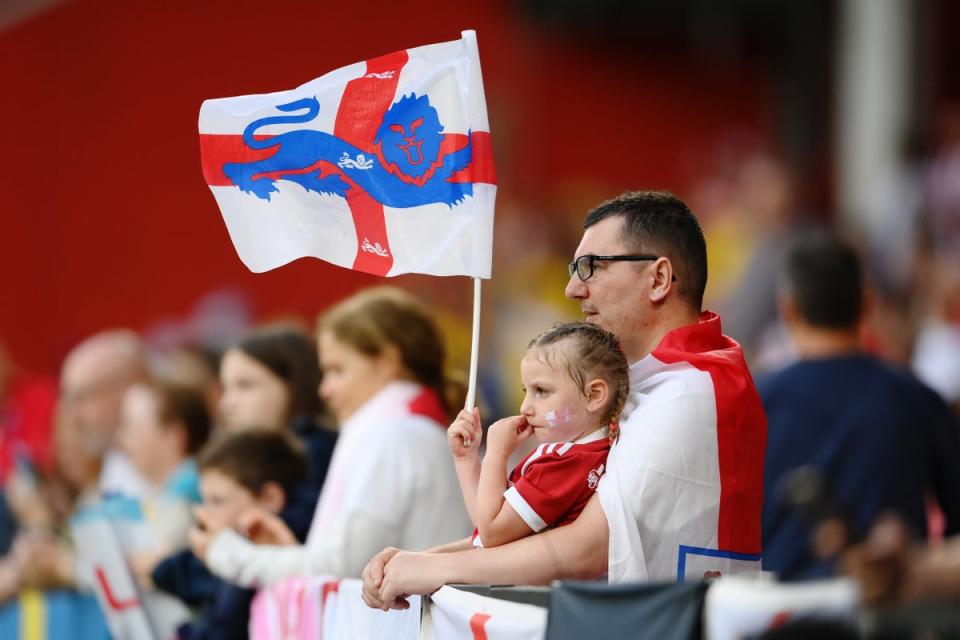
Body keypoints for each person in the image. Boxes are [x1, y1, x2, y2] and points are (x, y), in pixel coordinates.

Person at [363, 190, 767, 609]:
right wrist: (423, 560)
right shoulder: (649, 379)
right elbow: (545, 526)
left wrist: (435, 569)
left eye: (591, 267)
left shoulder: (690, 388)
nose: (573, 288)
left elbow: (587, 548)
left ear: (659, 278)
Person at [190, 287, 471, 584]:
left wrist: (227, 553)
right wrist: (284, 550)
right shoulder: (410, 428)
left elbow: (341, 566)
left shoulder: (392, 437)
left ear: (387, 362)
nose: (326, 389)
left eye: (337, 370)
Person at [759, 232, 960, 580]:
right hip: (891, 617)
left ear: (788, 310)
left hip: (778, 615)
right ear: (867, 304)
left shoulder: (756, 402)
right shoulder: (918, 398)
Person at [448, 322, 627, 548]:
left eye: (541, 391)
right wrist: (467, 460)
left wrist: (496, 452)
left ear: (594, 395)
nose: (525, 408)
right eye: (527, 391)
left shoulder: (566, 462)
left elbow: (492, 533)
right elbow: (486, 527)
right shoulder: (582, 454)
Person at [150, 431, 314, 640]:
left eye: (218, 501)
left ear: (270, 498)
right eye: (205, 501)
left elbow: (224, 630)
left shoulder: (255, 559)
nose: (205, 515)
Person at [218, 325, 337, 495]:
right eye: (225, 388)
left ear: (293, 386)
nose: (227, 403)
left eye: (245, 385)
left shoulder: (317, 452)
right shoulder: (239, 456)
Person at [117, 380, 211, 551]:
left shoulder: (192, 489)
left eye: (132, 429)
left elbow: (155, 561)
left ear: (174, 435)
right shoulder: (175, 488)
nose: (122, 441)